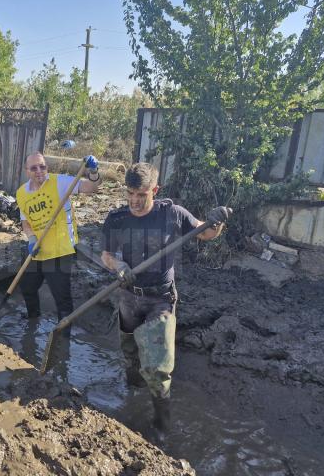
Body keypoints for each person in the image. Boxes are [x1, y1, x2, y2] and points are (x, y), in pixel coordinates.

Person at [100, 162, 230, 440]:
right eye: (131, 193)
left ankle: (161, 428)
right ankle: (132, 394)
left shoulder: (171, 214)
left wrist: (216, 222)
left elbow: (204, 233)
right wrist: (118, 265)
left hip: (160, 298)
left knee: (157, 369)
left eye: (141, 194)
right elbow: (106, 254)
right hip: (128, 296)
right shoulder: (118, 218)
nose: (135, 200)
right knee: (131, 355)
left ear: (154, 190)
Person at [16, 152, 102, 334]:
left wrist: (93, 171)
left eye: (43, 166)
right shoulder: (21, 193)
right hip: (38, 249)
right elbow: (26, 222)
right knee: (27, 286)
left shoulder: (60, 182)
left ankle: (63, 337)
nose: (39, 171)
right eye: (34, 168)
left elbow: (91, 188)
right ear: (26, 171)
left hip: (60, 249)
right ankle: (33, 318)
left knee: (61, 297)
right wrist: (31, 239)